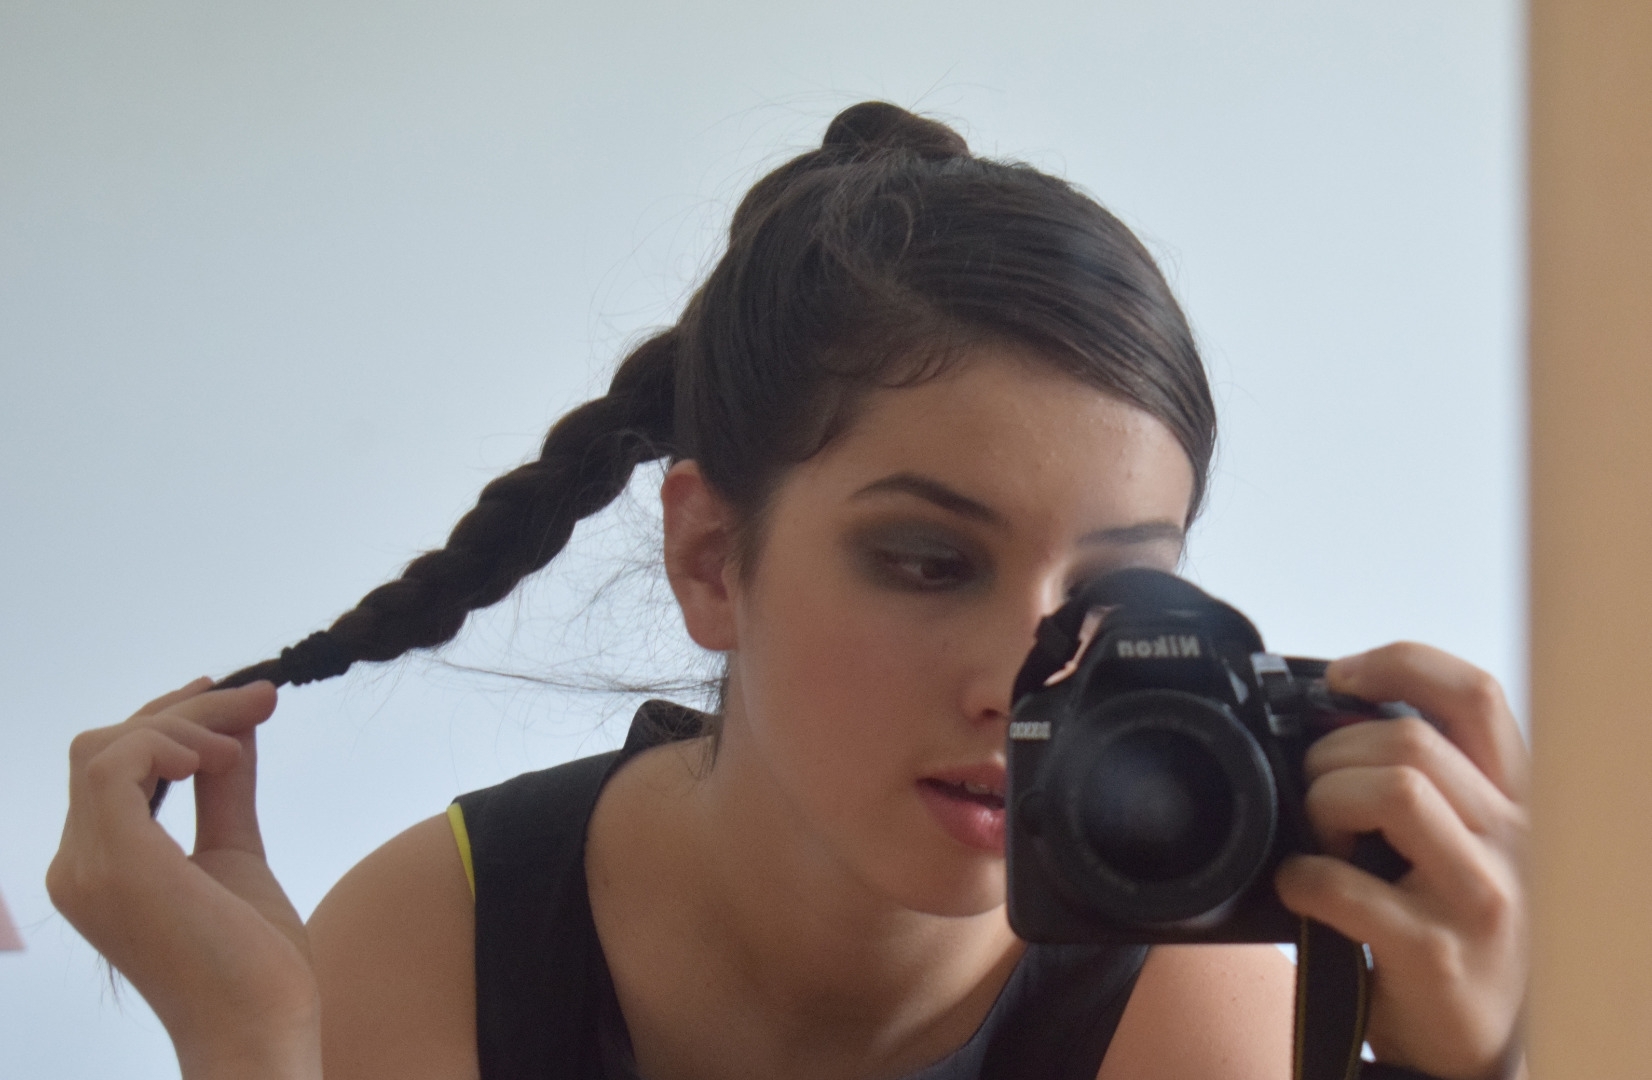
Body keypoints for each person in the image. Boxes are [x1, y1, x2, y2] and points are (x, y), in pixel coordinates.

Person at [46, 103, 1528, 1080]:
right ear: (710, 557)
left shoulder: (1192, 1002)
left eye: (1108, 599)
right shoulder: (443, 938)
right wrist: (254, 1046)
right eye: (928, 562)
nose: (1017, 680)